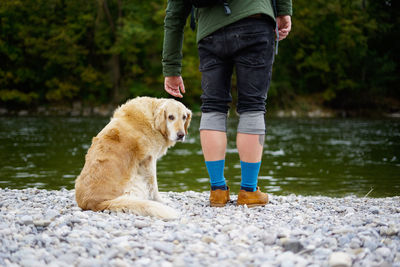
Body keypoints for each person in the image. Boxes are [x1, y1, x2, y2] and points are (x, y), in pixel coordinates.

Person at [162, 0, 292, 207]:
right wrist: (284, 11)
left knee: (212, 107)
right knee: (253, 107)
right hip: (255, 23)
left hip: (210, 33)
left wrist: (171, 68)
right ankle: (249, 191)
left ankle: (218, 191)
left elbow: (174, 15)